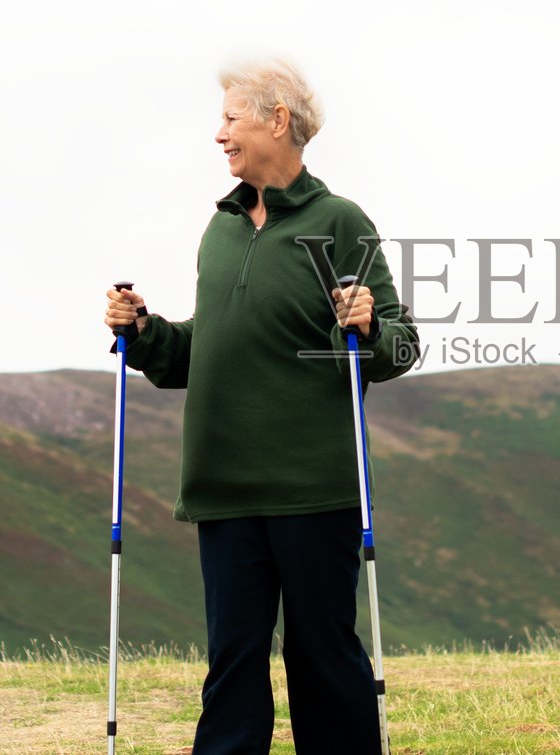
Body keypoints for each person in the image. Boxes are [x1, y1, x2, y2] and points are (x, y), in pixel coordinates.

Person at [105, 58, 417, 753]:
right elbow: (201, 352)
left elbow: (401, 345)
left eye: (230, 118)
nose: (219, 135)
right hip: (224, 490)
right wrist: (147, 332)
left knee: (323, 661)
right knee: (233, 667)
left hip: (314, 492)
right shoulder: (218, 228)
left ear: (278, 121)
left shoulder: (339, 223)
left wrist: (367, 324)